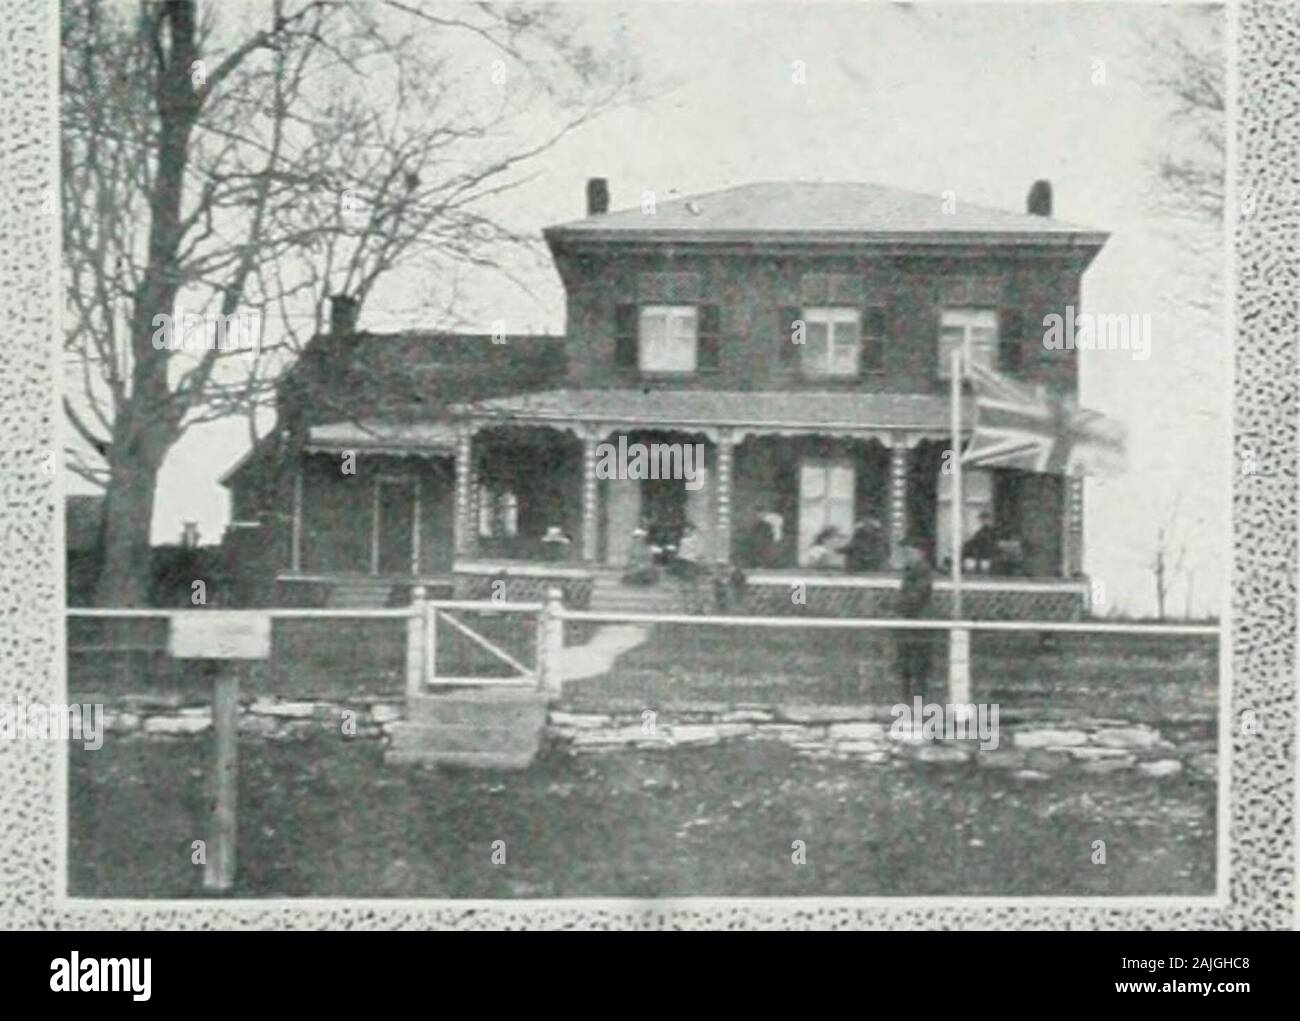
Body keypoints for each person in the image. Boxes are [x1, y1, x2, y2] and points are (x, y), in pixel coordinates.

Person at [895, 538, 934, 700]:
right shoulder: (912, 569)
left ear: (921, 553)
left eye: (910, 552)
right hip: (912, 618)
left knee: (917, 661)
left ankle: (917, 698)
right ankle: (909, 696)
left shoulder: (922, 570)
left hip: (919, 620)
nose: (907, 556)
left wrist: (898, 606)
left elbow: (917, 595)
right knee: (907, 660)